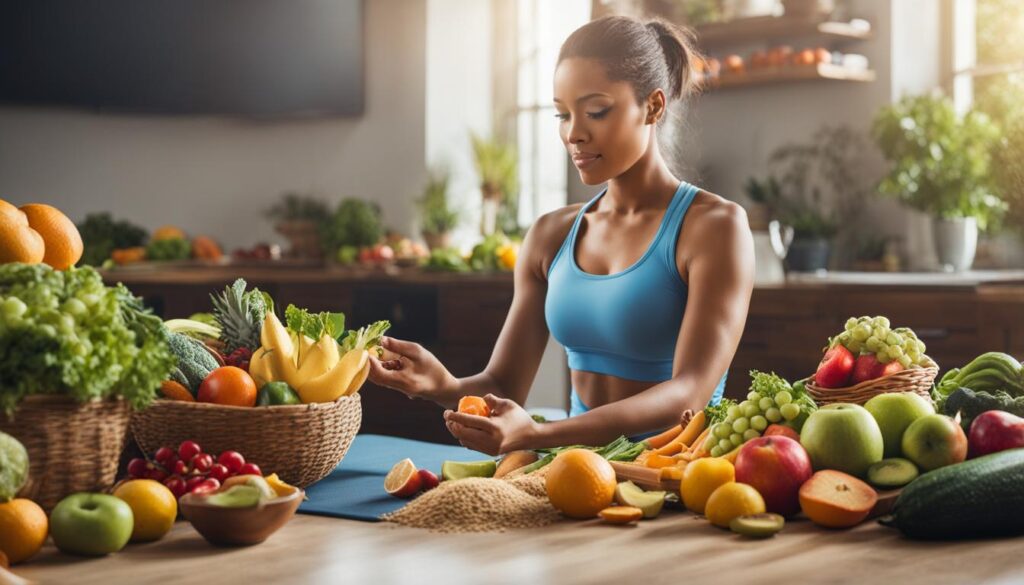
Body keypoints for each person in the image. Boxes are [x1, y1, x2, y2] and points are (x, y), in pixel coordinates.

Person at [369, 15, 754, 456]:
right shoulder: (550, 235)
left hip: (677, 479)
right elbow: (503, 385)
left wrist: (537, 435)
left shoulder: (714, 227)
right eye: (563, 114)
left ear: (653, 106)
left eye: (596, 111)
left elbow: (689, 395)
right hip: (577, 479)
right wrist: (442, 385)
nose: (574, 133)